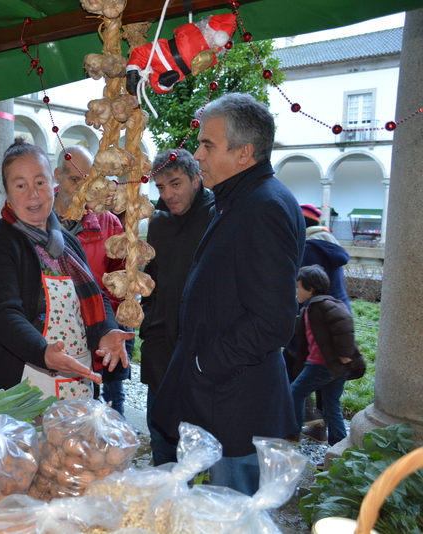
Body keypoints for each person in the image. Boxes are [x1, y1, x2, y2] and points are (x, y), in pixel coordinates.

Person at [151, 93, 305, 496]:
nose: (198, 155)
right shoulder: (240, 200)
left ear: (244, 153)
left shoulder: (263, 207)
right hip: (222, 401)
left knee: (234, 517)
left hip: (236, 409)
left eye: (207, 145)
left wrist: (204, 364)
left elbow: (272, 321)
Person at [0, 138, 134, 402]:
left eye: (40, 182)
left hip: (76, 382)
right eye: (20, 185)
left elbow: (95, 296)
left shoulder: (67, 242)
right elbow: (2, 313)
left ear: (52, 183)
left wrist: (107, 330)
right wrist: (43, 352)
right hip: (21, 384)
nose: (33, 194)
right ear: (7, 192)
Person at [140, 148, 215, 466]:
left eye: (176, 183)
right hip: (160, 349)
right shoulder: (159, 222)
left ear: (196, 178)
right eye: (160, 187)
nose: (168, 194)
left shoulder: (217, 216)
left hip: (201, 353)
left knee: (197, 446)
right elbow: (152, 283)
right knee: (160, 433)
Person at [53, 145, 130, 415]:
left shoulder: (110, 225)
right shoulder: (37, 216)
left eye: (87, 181)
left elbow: (121, 284)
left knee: (107, 407)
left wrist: (109, 329)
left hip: (98, 335)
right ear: (57, 176)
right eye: (74, 179)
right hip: (51, 335)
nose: (81, 189)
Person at [288, 203, 352, 443]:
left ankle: (292, 432)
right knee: (331, 400)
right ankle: (335, 444)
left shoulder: (308, 249)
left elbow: (299, 288)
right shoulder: (330, 244)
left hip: (323, 342)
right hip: (336, 319)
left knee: (295, 387)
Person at [290, 265, 365, 446]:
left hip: (322, 365)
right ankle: (338, 449)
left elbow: (345, 325)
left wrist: (345, 354)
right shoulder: (312, 306)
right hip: (332, 365)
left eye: (298, 286)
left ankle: (292, 435)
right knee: (332, 406)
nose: (296, 290)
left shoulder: (322, 305)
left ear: (311, 289)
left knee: (295, 393)